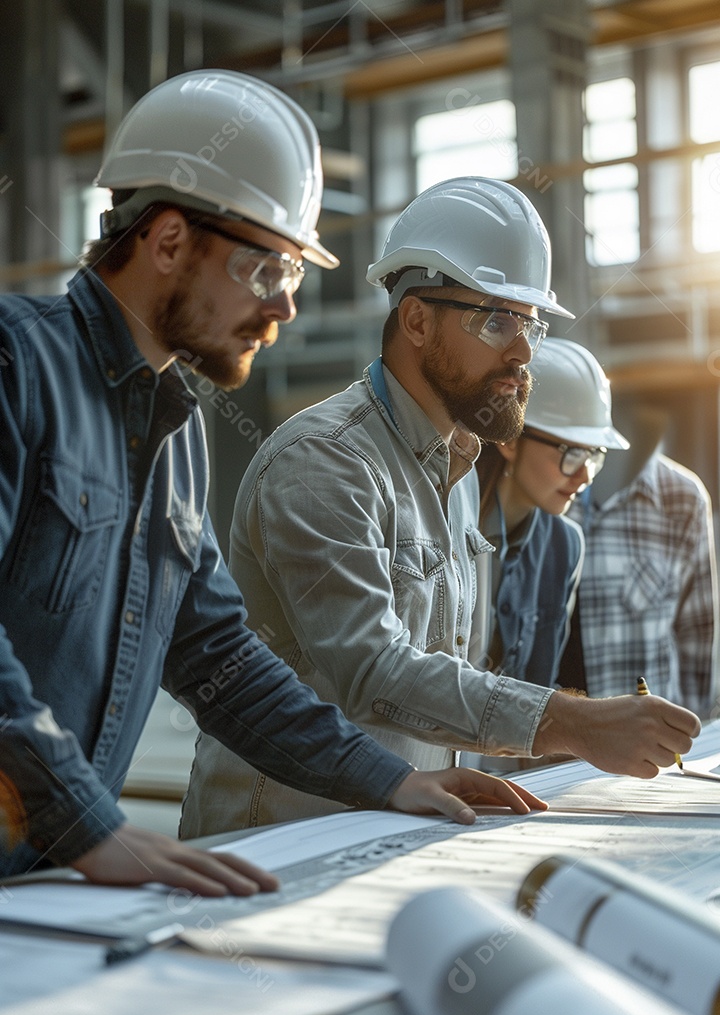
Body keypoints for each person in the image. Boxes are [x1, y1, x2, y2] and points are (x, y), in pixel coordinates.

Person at [0, 73, 550, 894]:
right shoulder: (17, 365)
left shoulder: (178, 436)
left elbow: (220, 656)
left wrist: (391, 780)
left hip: (43, 890)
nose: (287, 305)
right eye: (268, 269)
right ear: (170, 241)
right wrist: (85, 822)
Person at [180, 176, 699, 839]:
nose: (521, 351)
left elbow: (442, 670)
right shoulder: (323, 461)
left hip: (388, 828)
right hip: (276, 843)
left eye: (530, 324)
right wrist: (572, 723)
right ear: (417, 319)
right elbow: (372, 669)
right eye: (497, 320)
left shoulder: (453, 472)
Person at [476, 337, 628, 686]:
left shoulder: (565, 547)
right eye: (571, 452)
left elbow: (539, 691)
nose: (585, 474)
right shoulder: (447, 527)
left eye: (594, 455)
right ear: (510, 439)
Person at [559, 401, 718, 718]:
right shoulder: (545, 490)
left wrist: (688, 736)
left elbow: (697, 635)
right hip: (552, 753)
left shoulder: (682, 498)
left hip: (650, 750)